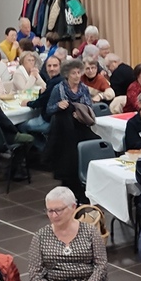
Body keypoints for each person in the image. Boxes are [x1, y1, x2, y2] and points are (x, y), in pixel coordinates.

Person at [27, 186, 108, 281]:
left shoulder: (90, 232)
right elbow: (35, 275)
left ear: (73, 207)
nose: (54, 215)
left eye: (58, 210)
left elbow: (101, 266)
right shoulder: (40, 236)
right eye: (50, 211)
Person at [45, 59, 98, 197]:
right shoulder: (59, 89)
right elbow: (49, 109)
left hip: (81, 125)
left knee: (94, 142)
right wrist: (58, 106)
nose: (77, 76)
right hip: (63, 128)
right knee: (70, 150)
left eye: (78, 72)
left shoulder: (84, 89)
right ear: (67, 74)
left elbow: (90, 107)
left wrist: (81, 112)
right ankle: (70, 182)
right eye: (73, 73)